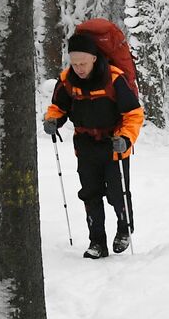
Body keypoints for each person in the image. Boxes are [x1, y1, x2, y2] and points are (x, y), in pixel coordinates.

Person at [43, 31, 144, 259]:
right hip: (85, 146)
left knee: (117, 194)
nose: (79, 68)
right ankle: (97, 242)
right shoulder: (68, 79)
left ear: (94, 58)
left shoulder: (114, 79)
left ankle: (124, 230)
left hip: (115, 144)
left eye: (83, 63)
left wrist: (126, 138)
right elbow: (59, 107)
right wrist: (53, 121)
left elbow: (134, 113)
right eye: (75, 62)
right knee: (90, 194)